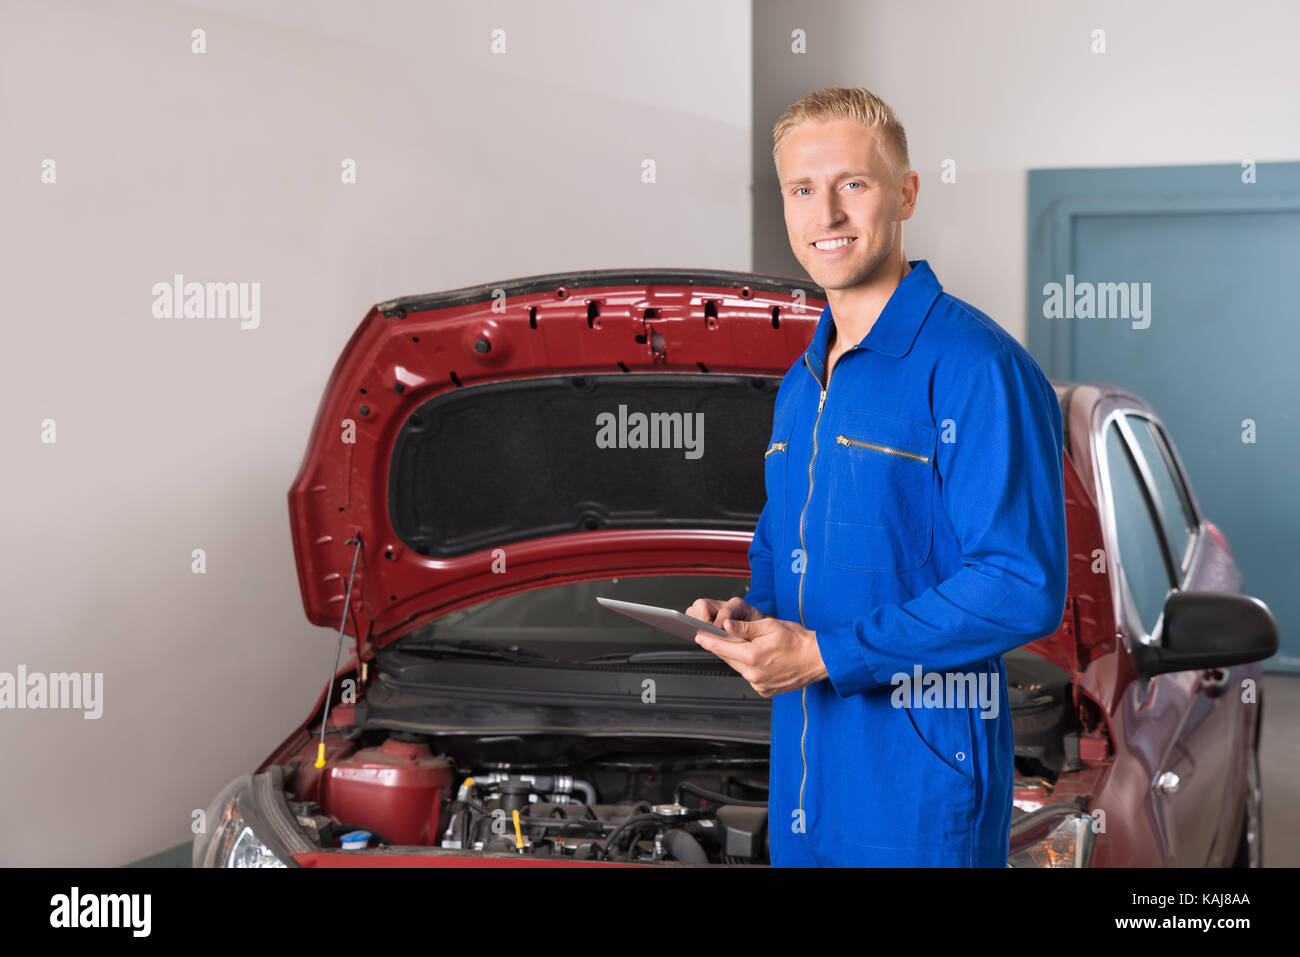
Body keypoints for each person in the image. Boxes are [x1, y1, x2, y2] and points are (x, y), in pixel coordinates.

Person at [686, 86, 1068, 867]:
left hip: (919, 798)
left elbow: (1020, 582)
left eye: (851, 185)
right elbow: (782, 548)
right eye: (802, 189)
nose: (825, 214)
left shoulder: (976, 367)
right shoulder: (803, 383)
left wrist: (825, 654)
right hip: (803, 779)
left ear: (906, 193)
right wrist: (747, 616)